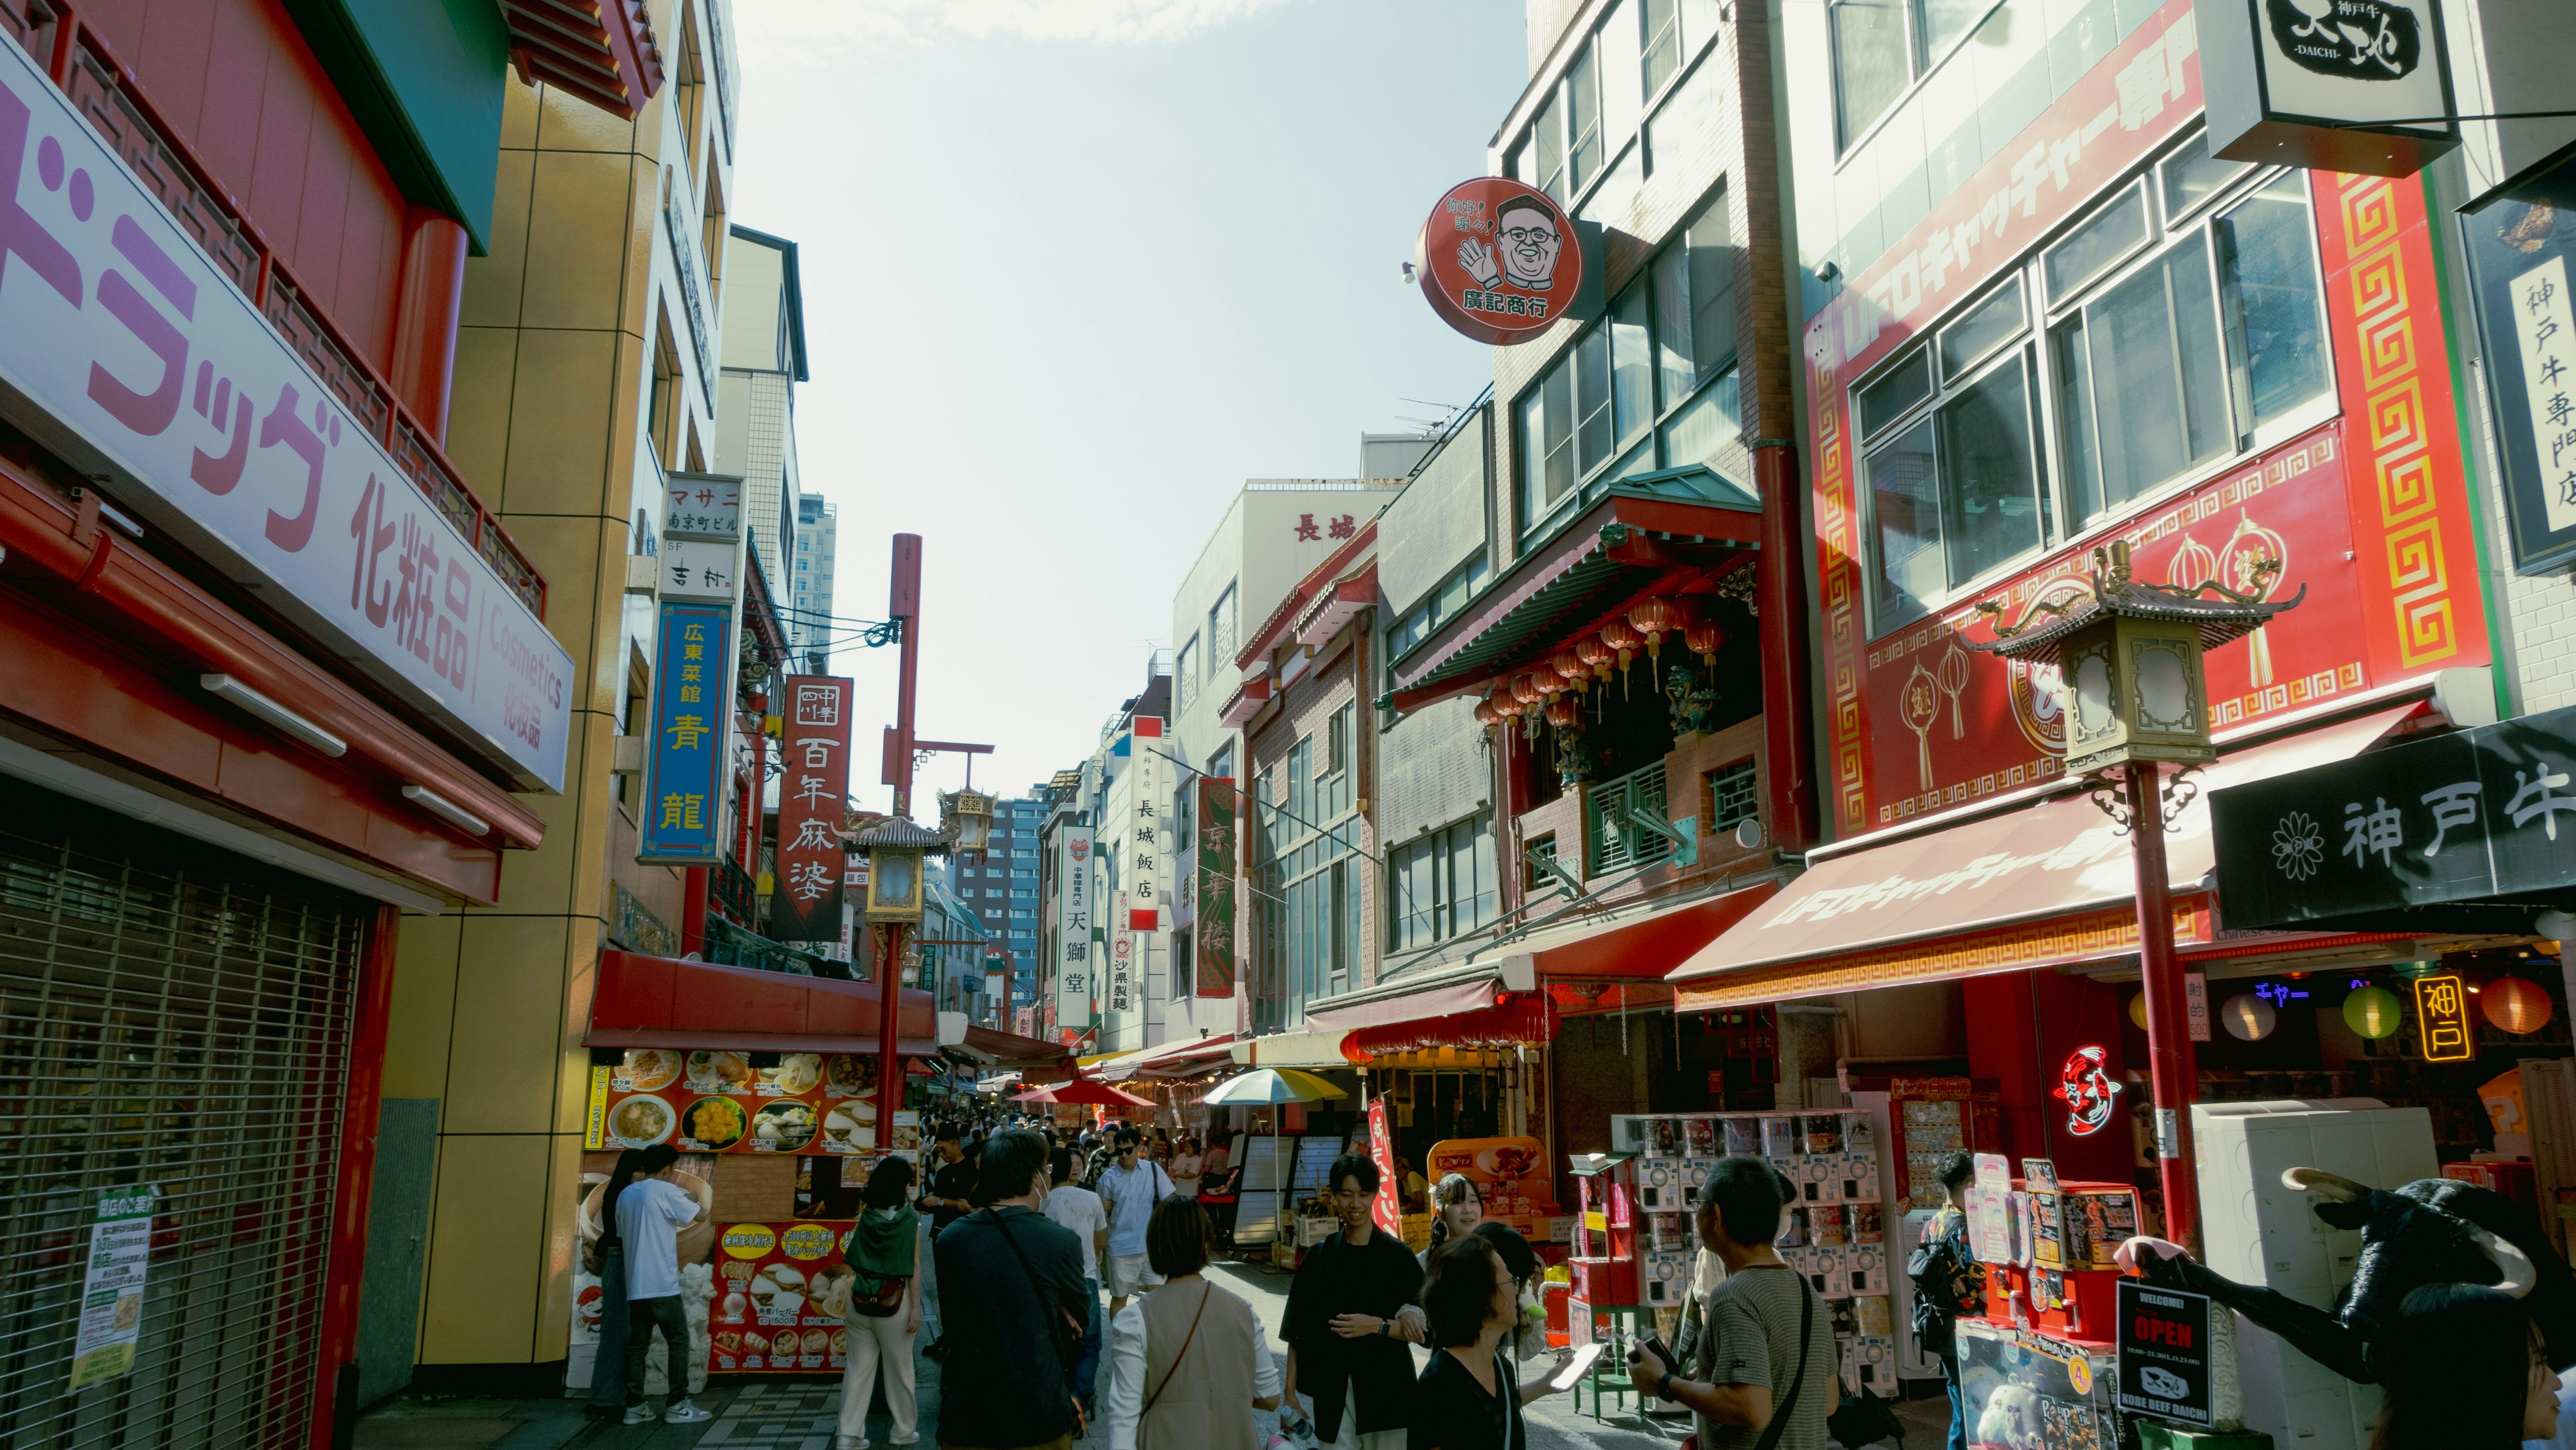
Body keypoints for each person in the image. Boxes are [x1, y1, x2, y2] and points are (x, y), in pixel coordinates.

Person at [1627, 1157, 1836, 1450]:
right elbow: (1828, 1401)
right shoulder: (1805, 1290)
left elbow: (1752, 1409)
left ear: (1716, 1216)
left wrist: (1662, 1382)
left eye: (1699, 1204)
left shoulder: (1734, 1296)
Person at [933, 1129, 1089, 1450]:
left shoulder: (951, 1240)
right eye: (1045, 1169)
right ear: (1035, 1176)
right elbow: (1079, 1321)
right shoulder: (1060, 1242)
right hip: (1037, 1408)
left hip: (967, 1409)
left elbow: (954, 1319)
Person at [1103, 1197, 1281, 1449]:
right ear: (1206, 1244)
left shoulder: (1135, 1320)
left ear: (1155, 1245)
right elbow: (1271, 1397)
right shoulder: (1244, 1311)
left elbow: (1123, 1417)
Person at [1283, 1155, 1427, 1450]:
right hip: (1333, 1392)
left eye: (1364, 1194)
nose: (1355, 1204)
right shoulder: (1319, 1258)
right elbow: (1296, 1331)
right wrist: (1290, 1396)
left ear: (1375, 1195)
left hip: (1388, 1392)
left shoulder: (1398, 1257)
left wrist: (1376, 1326)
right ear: (1335, 1196)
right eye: (1346, 1195)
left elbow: (1426, 1332)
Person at [1406, 1233, 1570, 1449]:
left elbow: (1497, 1407)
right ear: (1480, 1296)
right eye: (1510, 1281)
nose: (1518, 1290)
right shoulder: (1441, 1384)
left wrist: (1547, 1383)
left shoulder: (1502, 1367)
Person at [616, 1144, 712, 1427]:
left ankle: (634, 1407)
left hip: (635, 1284)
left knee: (637, 1345)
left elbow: (625, 1233)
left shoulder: (625, 1195)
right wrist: (692, 1197)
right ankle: (678, 1405)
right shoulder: (666, 1190)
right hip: (661, 1283)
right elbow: (701, 1216)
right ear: (669, 1168)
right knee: (679, 1340)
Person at [839, 1157, 922, 1450]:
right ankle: (902, 1431)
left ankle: (848, 1435)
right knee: (900, 1370)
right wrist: (915, 1307)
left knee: (858, 1370)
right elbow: (913, 1264)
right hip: (894, 1303)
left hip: (859, 1302)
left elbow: (853, 1261)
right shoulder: (909, 1218)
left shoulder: (868, 1215)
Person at [1905, 1152, 1984, 1450]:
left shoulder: (1933, 1223)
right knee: (1972, 1399)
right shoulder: (1964, 1228)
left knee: (1959, 1394)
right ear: (1969, 1184)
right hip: (1969, 1325)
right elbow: (1979, 1282)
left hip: (1942, 1322)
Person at [1044, 1145, 1111, 1417]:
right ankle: (1078, 1399)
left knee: (1054, 1340)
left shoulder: (1042, 1201)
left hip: (1051, 1284)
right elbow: (1101, 1237)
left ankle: (1055, 1394)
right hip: (1085, 1279)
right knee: (1090, 1342)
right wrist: (1095, 1254)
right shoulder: (1091, 1198)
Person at [586, 1149, 651, 1416]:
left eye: (644, 1171)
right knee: (617, 1334)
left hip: (620, 1262)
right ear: (629, 1171)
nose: (642, 1176)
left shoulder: (617, 1191)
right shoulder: (626, 1195)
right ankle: (606, 1399)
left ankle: (614, 1397)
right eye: (639, 1170)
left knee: (621, 1334)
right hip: (621, 1261)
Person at [1100, 1127, 1177, 1322]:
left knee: (1159, 1295)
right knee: (1120, 1298)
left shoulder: (1152, 1170)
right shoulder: (1108, 1179)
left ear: (1138, 1148)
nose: (1124, 1155)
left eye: (1129, 1150)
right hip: (1121, 1247)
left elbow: (1170, 1200)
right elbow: (1101, 1212)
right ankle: (1119, 1339)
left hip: (1151, 1247)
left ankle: (1157, 1337)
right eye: (1120, 1151)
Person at [1421, 1174, 1483, 1267]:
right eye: (1457, 1202)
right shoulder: (1424, 1263)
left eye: (1473, 1201)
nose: (1467, 1210)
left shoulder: (1495, 1256)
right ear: (1439, 1213)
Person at [1168, 1137, 1204, 1202]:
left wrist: (1176, 1175)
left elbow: (1191, 1175)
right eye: (1185, 1147)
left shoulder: (1197, 1160)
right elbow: (1173, 1169)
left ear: (1195, 1149)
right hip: (1178, 1190)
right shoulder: (1181, 1156)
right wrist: (1170, 1173)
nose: (1186, 1149)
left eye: (1189, 1148)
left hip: (1190, 1192)